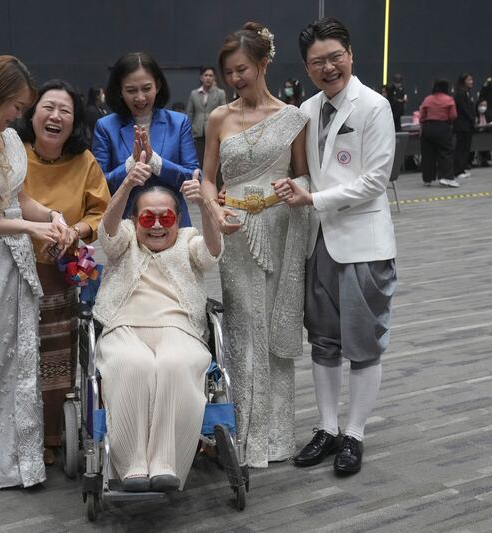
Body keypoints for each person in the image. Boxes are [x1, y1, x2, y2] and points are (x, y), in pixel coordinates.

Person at [0, 79, 111, 467]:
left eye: (66, 110)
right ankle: (12, 437)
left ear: (75, 120)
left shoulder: (84, 162)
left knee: (56, 358)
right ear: (31, 112)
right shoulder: (9, 147)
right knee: (11, 358)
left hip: (59, 270)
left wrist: (71, 229)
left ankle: (51, 433)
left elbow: (100, 213)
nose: (56, 116)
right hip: (7, 266)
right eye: (47, 107)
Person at [275, 16, 397, 476]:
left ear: (350, 56)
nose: (327, 68)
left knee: (363, 344)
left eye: (334, 58)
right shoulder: (306, 108)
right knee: (323, 341)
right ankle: (326, 428)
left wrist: (314, 198)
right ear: (306, 68)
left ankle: (355, 434)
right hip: (319, 243)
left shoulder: (374, 106)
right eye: (316, 62)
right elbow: (304, 170)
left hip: (363, 243)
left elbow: (375, 180)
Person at [199, 22, 310, 468]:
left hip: (280, 228)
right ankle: (241, 434)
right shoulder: (219, 118)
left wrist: (293, 187)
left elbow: (304, 176)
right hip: (235, 232)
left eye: (242, 69)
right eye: (228, 73)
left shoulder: (292, 117)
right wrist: (213, 209)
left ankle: (276, 437)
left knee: (273, 329)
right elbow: (208, 179)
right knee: (243, 328)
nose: (235, 80)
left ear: (263, 63)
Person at [93, 175, 222, 492]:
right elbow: (107, 233)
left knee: (174, 364)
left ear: (177, 220)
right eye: (147, 218)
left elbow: (212, 253)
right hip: (123, 326)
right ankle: (131, 464)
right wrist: (126, 186)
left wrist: (205, 204)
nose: (156, 226)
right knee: (132, 365)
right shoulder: (124, 238)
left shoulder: (188, 239)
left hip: (178, 327)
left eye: (166, 218)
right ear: (134, 220)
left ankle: (166, 462)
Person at [92, 52, 199, 227]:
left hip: (172, 224)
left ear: (158, 85)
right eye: (131, 90)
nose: (140, 97)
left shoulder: (179, 123)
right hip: (126, 225)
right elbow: (99, 184)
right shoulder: (105, 127)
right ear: (119, 90)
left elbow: (193, 176)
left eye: (146, 88)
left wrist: (155, 162)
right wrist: (130, 165)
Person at [419, 79, 459, 188]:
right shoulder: (449, 99)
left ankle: (427, 179)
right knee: (445, 152)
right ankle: (446, 177)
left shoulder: (427, 99)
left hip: (428, 127)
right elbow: (453, 116)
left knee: (428, 154)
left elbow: (422, 116)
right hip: (442, 127)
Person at [186, 67, 227, 169]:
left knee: (214, 161)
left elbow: (225, 113)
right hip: (198, 132)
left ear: (214, 78)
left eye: (210, 75)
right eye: (206, 75)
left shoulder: (220, 93)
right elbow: (190, 113)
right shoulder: (194, 93)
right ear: (201, 77)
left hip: (214, 131)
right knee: (198, 160)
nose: (208, 78)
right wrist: (189, 130)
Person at [453, 73, 476, 179]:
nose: (471, 82)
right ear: (463, 81)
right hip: (462, 125)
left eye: (472, 80)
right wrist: (472, 118)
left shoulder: (467, 93)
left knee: (466, 148)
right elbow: (464, 109)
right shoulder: (460, 94)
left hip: (467, 125)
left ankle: (462, 168)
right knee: (461, 148)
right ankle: (457, 170)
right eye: (469, 80)